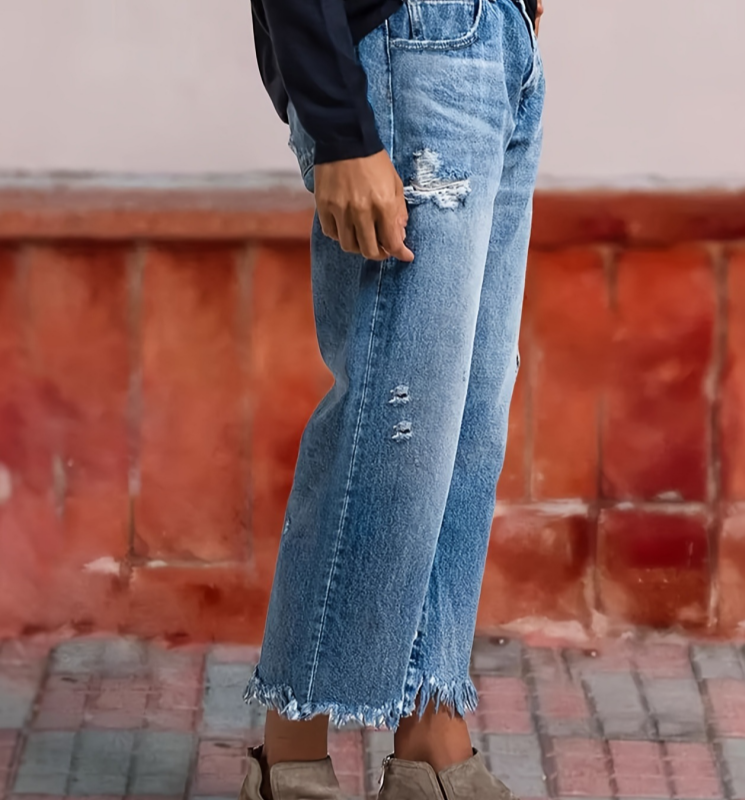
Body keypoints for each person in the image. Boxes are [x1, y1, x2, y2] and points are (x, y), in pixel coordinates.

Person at [242, 0, 545, 796]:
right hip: (412, 46)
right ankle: (292, 758)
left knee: (467, 424)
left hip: (498, 43)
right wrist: (340, 128)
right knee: (394, 419)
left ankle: (430, 742)